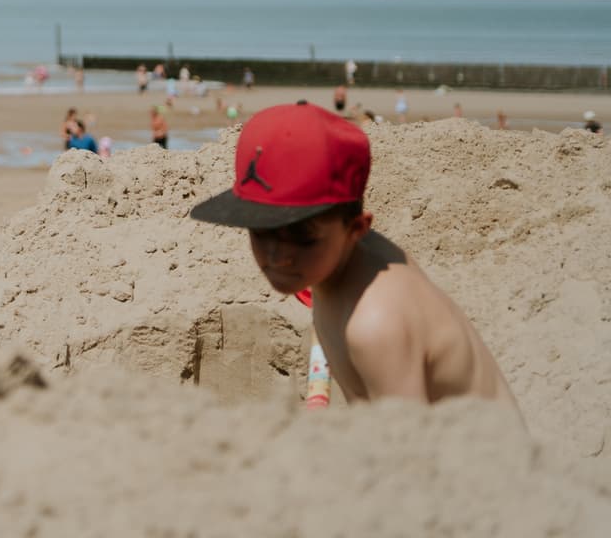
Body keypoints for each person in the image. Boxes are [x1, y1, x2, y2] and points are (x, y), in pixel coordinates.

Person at [190, 103, 520, 411]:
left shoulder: (376, 323)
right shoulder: (329, 262)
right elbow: (328, 313)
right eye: (261, 231)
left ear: (357, 228)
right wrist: (319, 391)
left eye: (302, 237)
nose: (279, 255)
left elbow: (414, 453)